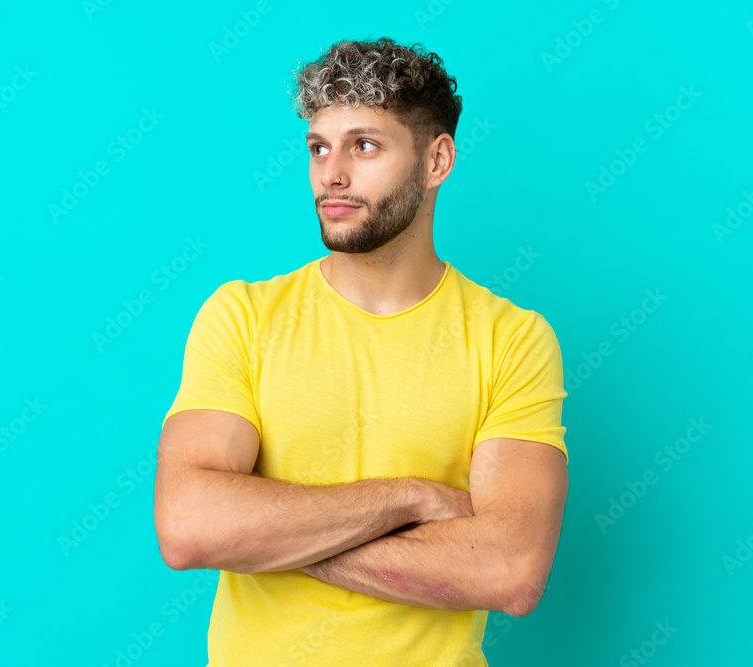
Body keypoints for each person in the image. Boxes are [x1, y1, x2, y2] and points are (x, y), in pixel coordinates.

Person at [154, 36, 569, 667]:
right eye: (319, 147)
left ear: (437, 161)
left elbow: (509, 571)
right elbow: (187, 527)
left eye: (364, 145)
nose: (332, 173)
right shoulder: (242, 316)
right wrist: (408, 499)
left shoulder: (511, 339)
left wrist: (264, 535)